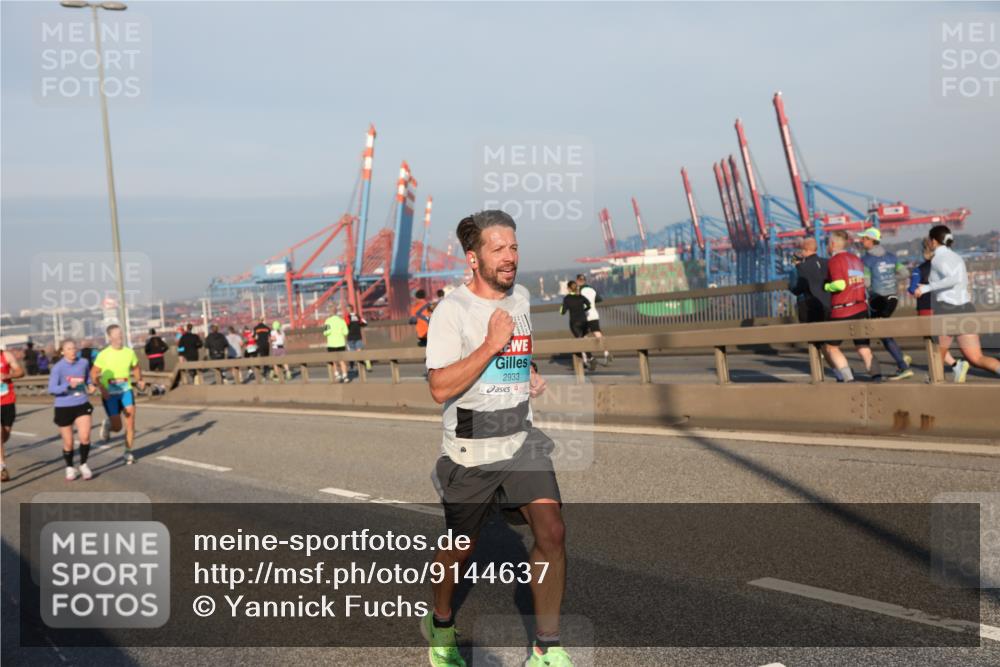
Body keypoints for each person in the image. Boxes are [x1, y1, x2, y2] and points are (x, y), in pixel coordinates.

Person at [422, 210, 570, 667]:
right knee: (459, 549)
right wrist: (489, 344)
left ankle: (546, 648)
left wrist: (529, 372)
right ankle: (440, 623)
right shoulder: (451, 311)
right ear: (473, 258)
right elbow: (439, 387)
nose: (510, 257)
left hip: (521, 437)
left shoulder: (520, 297)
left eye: (514, 247)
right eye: (498, 249)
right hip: (471, 447)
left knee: (552, 532)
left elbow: (515, 352)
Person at [914, 225, 1000, 382]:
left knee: (937, 355)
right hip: (966, 308)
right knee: (976, 358)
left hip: (947, 310)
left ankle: (934, 388)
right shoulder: (956, 257)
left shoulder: (938, 259)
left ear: (934, 241)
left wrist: (926, 287)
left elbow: (953, 279)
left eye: (929, 240)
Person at [859, 228, 913, 381]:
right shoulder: (891, 256)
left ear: (872, 240)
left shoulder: (866, 260)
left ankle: (903, 364)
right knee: (883, 331)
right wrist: (890, 278)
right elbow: (905, 273)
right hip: (893, 298)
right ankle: (901, 358)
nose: (861, 241)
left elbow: (866, 283)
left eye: (864, 238)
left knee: (881, 331)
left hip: (878, 299)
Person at [823, 230, 875, 382]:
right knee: (863, 347)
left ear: (833, 244)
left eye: (827, 243)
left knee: (831, 347)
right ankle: (876, 376)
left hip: (842, 309)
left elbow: (840, 284)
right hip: (861, 307)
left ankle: (849, 379)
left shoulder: (834, 261)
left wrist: (826, 286)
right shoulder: (856, 259)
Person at [92, 324, 145, 465]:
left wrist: (139, 379)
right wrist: (101, 389)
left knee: (130, 422)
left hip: (126, 391)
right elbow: (93, 373)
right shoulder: (103, 354)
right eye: (116, 334)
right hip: (110, 394)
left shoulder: (129, 352)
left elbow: (136, 367)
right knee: (117, 427)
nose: (120, 336)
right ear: (110, 337)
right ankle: (108, 425)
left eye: (120, 333)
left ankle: (128, 452)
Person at [48, 339, 97, 481]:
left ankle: (83, 464)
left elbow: (87, 379)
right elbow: (52, 389)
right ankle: (69, 467)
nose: (72, 351)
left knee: (85, 437)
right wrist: (67, 386)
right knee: (68, 443)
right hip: (63, 406)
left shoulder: (84, 363)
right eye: (69, 349)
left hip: (81, 403)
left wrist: (91, 386)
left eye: (74, 348)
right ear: (63, 351)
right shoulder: (58, 368)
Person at [576, 273, 612, 367]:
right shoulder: (591, 289)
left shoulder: (579, 290)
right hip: (594, 314)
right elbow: (599, 299)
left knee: (582, 337)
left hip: (584, 316)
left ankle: (586, 359)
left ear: (578, 281)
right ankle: (606, 353)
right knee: (598, 334)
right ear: (585, 280)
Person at [1, 348, 25, 482]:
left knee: (5, 435)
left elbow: (20, 372)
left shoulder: (6, 355)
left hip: (7, 401)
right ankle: (2, 467)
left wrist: (7, 376)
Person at [560, 280, 592, 369]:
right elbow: (589, 305)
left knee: (580, 341)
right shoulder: (580, 296)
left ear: (569, 289)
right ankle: (589, 358)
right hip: (584, 321)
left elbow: (562, 312)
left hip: (575, 323)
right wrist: (583, 310)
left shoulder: (567, 298)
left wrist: (562, 305)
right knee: (584, 339)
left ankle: (587, 360)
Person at [323, 310, 350, 383]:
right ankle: (345, 376)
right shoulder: (342, 321)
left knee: (334, 361)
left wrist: (331, 332)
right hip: (341, 343)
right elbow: (346, 332)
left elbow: (325, 333)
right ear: (336, 312)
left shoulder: (328, 321)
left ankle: (337, 375)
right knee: (342, 361)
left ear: (330, 313)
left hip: (331, 344)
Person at [346, 309, 371, 376]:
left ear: (348, 310)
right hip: (358, 337)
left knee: (351, 353)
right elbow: (365, 323)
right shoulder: (357, 316)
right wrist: (359, 325)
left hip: (350, 338)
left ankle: (352, 368)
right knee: (360, 352)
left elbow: (346, 325)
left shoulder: (347, 317)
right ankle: (367, 363)